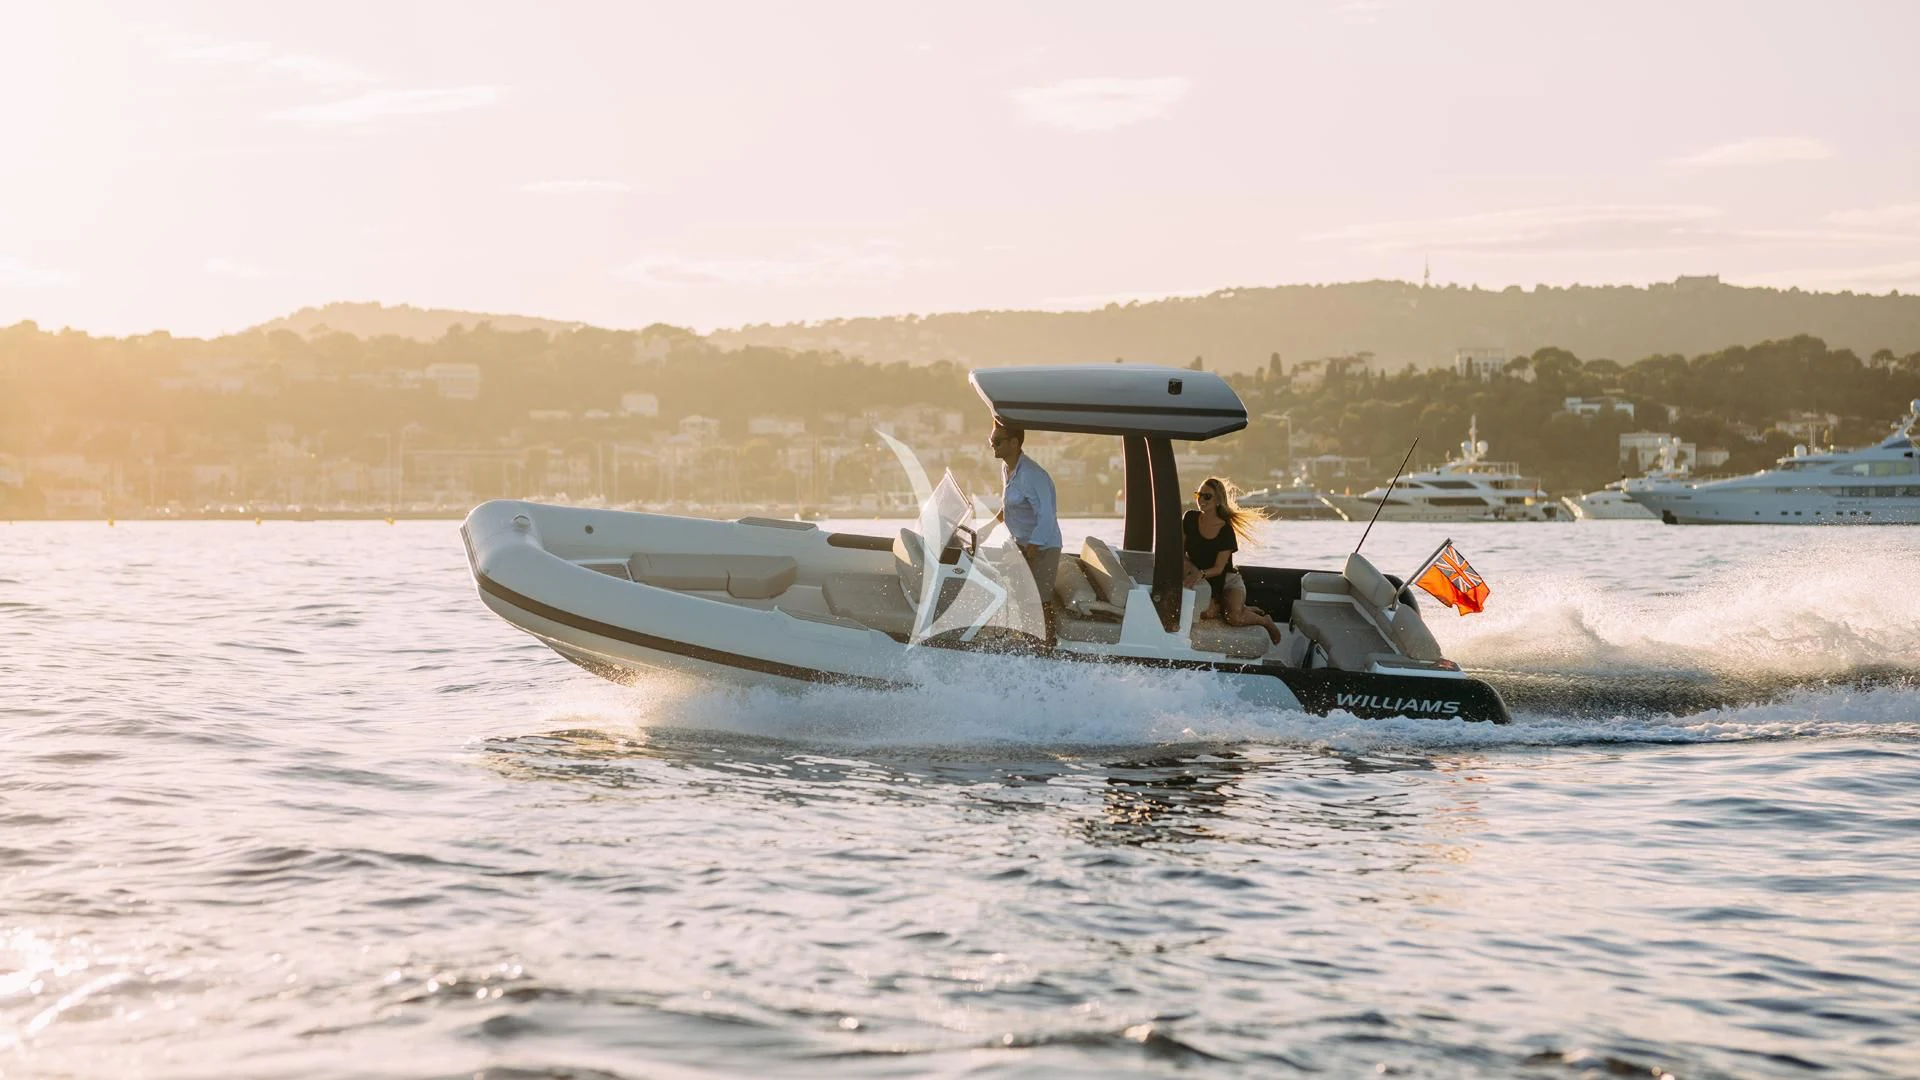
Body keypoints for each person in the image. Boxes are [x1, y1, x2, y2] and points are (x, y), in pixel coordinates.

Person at [982, 420, 1061, 643]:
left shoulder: (1033, 475)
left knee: (1039, 601)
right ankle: (1026, 639)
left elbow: (1046, 515)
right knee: (1021, 596)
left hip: (1043, 546)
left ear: (1014, 443)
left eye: (997, 441)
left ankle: (1046, 646)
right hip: (1020, 543)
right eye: (991, 441)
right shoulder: (1008, 469)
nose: (992, 445)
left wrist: (1031, 549)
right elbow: (1008, 506)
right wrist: (986, 530)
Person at [1182, 476, 1282, 644]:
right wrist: (1192, 570)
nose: (1201, 500)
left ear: (1218, 500)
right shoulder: (1190, 518)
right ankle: (1239, 607)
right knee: (1205, 613)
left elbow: (1219, 569)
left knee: (1233, 617)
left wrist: (1201, 577)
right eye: (1199, 495)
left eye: (1207, 496)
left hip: (1227, 580)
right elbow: (1179, 551)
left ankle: (1265, 621)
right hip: (1199, 577)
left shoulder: (1225, 531)